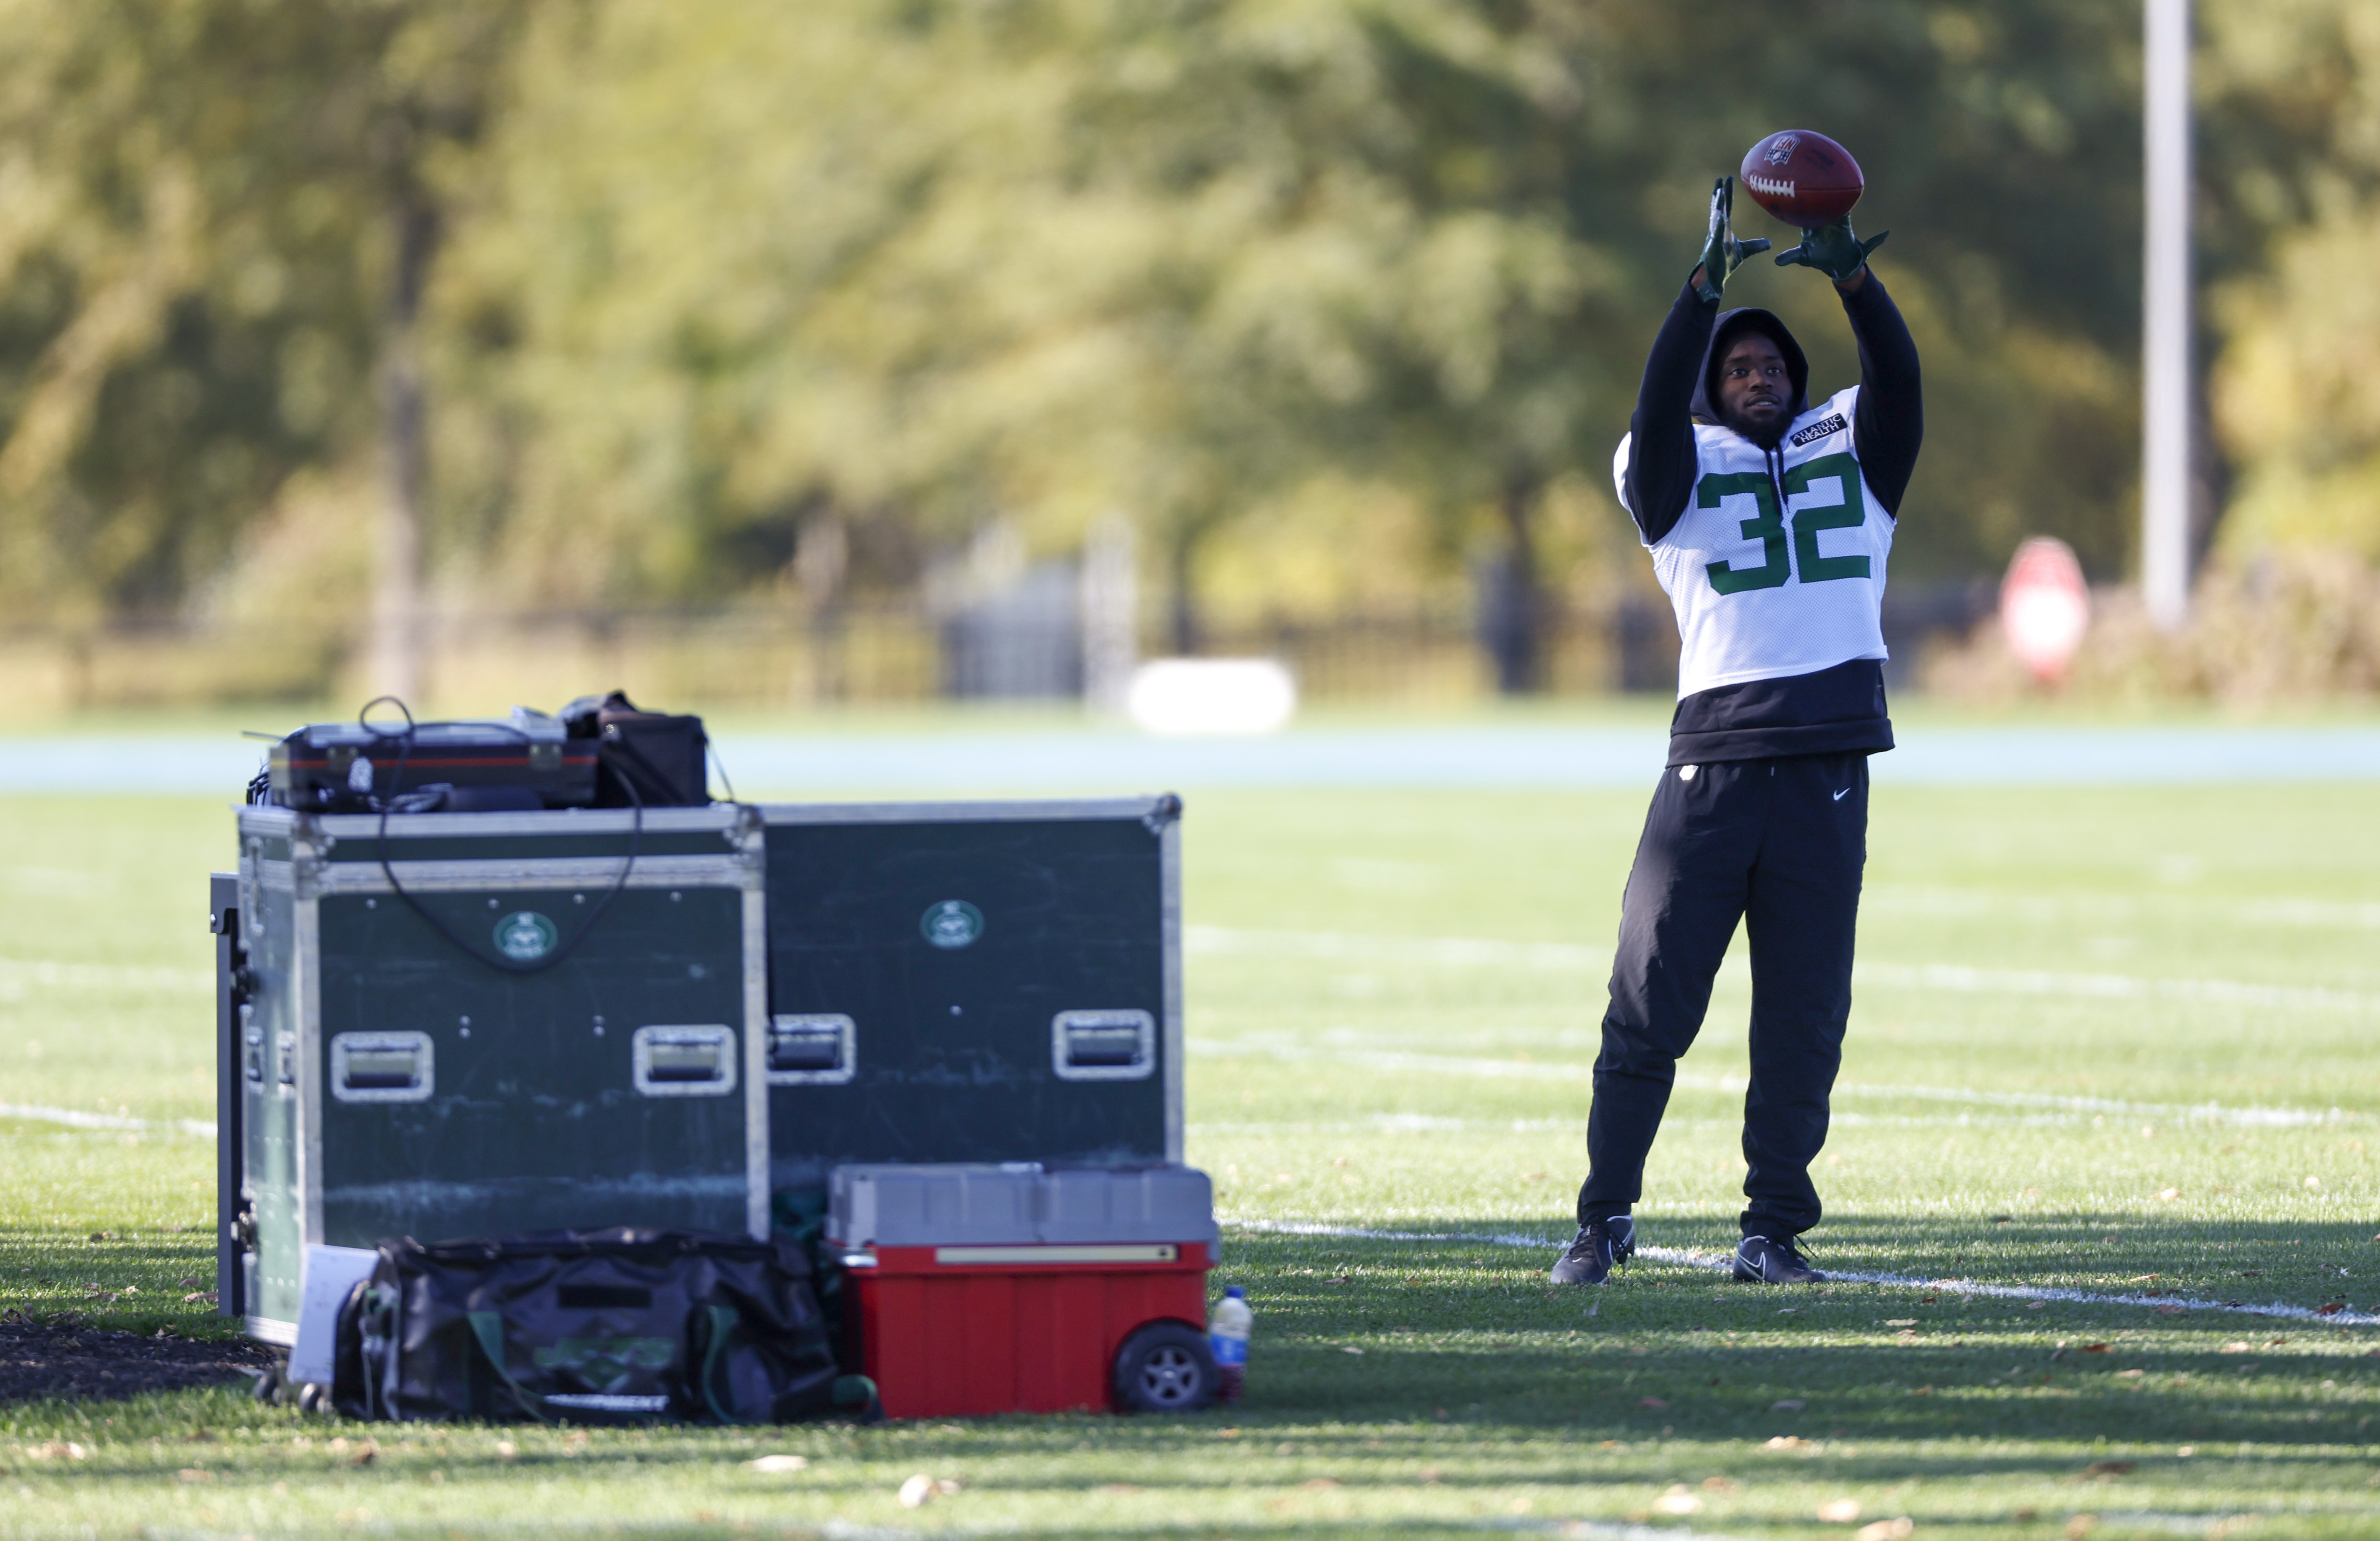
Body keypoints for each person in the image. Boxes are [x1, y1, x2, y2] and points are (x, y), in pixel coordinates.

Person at [1550, 178, 1922, 1287]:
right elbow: (1658, 408)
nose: (1756, 378)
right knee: (1649, 1005)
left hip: (1826, 766)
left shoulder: (1851, 454)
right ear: (1716, 391)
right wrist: (1697, 298)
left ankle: (1770, 1233)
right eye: (1736, 368)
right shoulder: (1672, 469)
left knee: (1802, 1019)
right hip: (1711, 770)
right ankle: (1603, 1217)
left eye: (1770, 366)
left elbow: (1899, 382)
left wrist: (1854, 279)